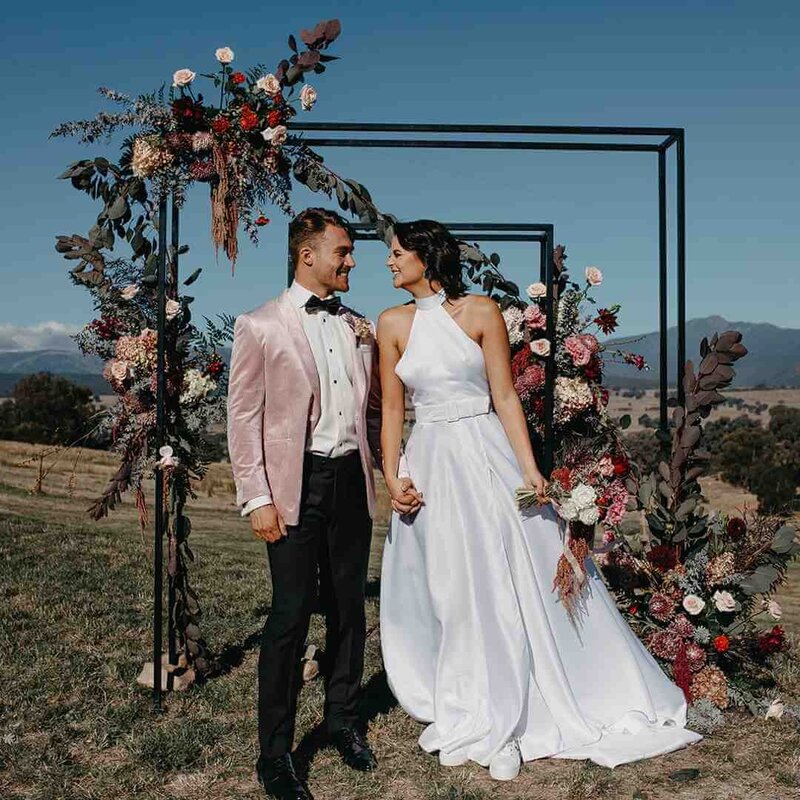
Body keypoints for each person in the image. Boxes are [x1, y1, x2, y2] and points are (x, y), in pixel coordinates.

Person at [377, 220, 701, 781]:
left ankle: (528, 701)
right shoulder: (391, 324)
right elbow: (389, 409)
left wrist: (530, 472)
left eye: (398, 253)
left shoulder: (480, 313)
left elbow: (504, 395)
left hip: (483, 454)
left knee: (506, 573)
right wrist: (390, 473)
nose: (389, 262)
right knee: (449, 583)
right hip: (429, 460)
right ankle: (464, 696)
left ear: (426, 259)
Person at [227, 208, 420, 800]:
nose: (352, 261)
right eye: (343, 251)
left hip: (349, 483)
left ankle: (341, 720)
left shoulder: (358, 324)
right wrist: (256, 497)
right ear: (307, 255)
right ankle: (276, 754)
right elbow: (243, 419)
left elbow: (374, 407)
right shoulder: (259, 325)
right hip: (293, 487)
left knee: (348, 609)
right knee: (289, 617)